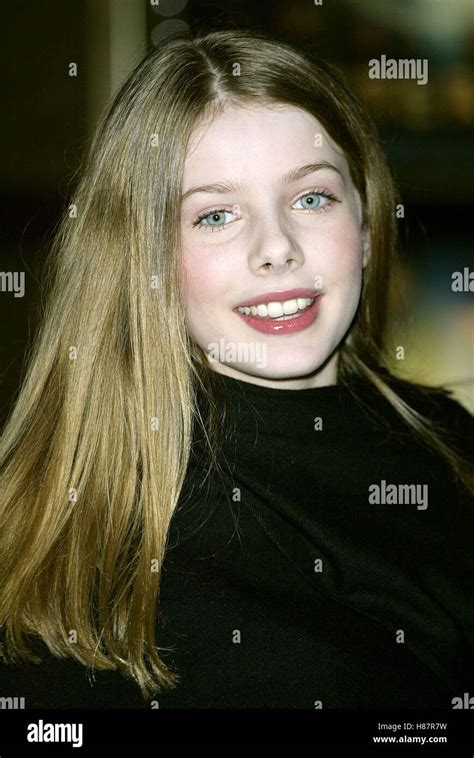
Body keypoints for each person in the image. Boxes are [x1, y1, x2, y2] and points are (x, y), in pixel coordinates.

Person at [0, 28, 472, 710]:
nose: (276, 248)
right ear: (146, 259)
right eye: (216, 215)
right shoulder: (87, 548)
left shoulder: (448, 441)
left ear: (367, 224)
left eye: (311, 198)